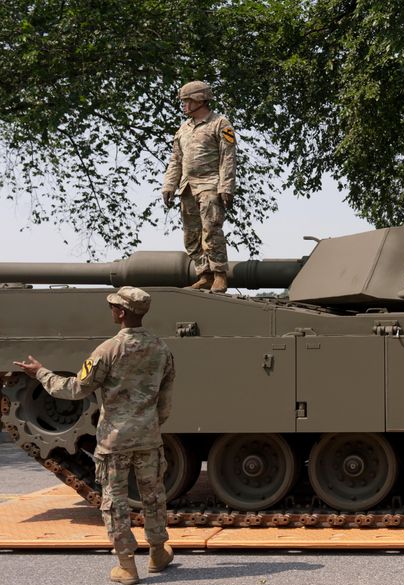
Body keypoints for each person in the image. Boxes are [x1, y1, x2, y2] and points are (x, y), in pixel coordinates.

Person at [14, 287, 175, 585]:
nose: (111, 310)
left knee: (115, 500)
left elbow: (76, 389)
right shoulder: (161, 349)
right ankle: (157, 554)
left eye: (113, 306)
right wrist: (151, 424)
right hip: (148, 437)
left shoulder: (107, 350)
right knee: (153, 496)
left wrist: (40, 373)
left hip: (114, 439)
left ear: (122, 313)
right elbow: (164, 401)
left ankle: (127, 566)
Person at [162, 80, 237, 293]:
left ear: (199, 100)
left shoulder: (220, 123)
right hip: (187, 187)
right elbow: (176, 159)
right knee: (191, 235)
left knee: (211, 230)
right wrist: (169, 185)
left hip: (210, 185)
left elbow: (228, 157)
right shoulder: (183, 129)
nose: (184, 106)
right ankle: (203, 274)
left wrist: (226, 187)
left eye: (186, 101)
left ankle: (220, 274)